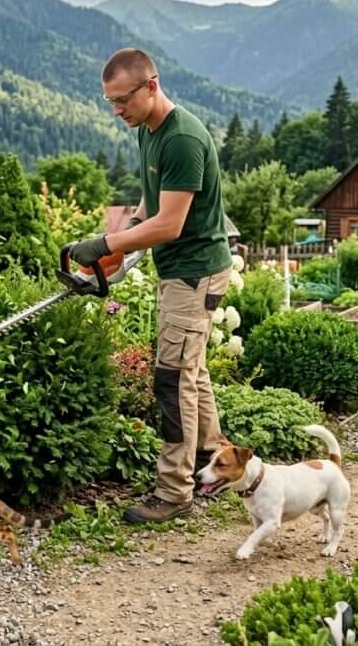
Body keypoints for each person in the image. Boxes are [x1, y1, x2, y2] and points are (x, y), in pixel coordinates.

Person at [69, 48, 232, 523]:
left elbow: (172, 224)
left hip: (193, 269)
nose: (117, 111)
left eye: (123, 100)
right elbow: (153, 199)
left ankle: (174, 492)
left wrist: (105, 242)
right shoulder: (148, 130)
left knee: (172, 379)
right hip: (185, 267)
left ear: (151, 87)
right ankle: (213, 462)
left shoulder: (182, 139)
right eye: (110, 103)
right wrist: (128, 235)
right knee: (192, 372)